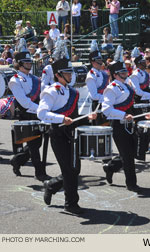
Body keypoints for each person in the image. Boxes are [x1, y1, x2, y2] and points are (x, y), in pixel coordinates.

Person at [38, 58, 96, 214]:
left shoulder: (72, 92)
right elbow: (42, 113)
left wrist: (87, 117)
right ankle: (70, 204)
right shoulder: (51, 91)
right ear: (58, 75)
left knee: (74, 170)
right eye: (67, 73)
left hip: (72, 133)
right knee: (69, 170)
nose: (71, 76)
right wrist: (61, 119)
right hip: (58, 134)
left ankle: (51, 185)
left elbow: (74, 116)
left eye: (71, 73)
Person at [8, 51, 50, 181]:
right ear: (20, 64)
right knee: (34, 145)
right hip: (27, 116)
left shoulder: (34, 78)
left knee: (37, 144)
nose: (29, 64)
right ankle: (40, 173)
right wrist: (42, 110)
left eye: (29, 61)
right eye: (26, 62)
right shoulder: (14, 80)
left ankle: (17, 160)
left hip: (37, 114)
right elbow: (25, 103)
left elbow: (43, 93)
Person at [102, 61, 141, 192]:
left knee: (131, 151)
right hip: (118, 124)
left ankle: (111, 167)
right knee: (127, 155)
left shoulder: (126, 85)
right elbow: (106, 110)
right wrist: (123, 115)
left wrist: (141, 116)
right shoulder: (111, 88)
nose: (125, 73)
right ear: (115, 74)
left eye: (125, 71)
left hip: (129, 123)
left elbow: (130, 106)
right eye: (122, 72)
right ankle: (131, 184)